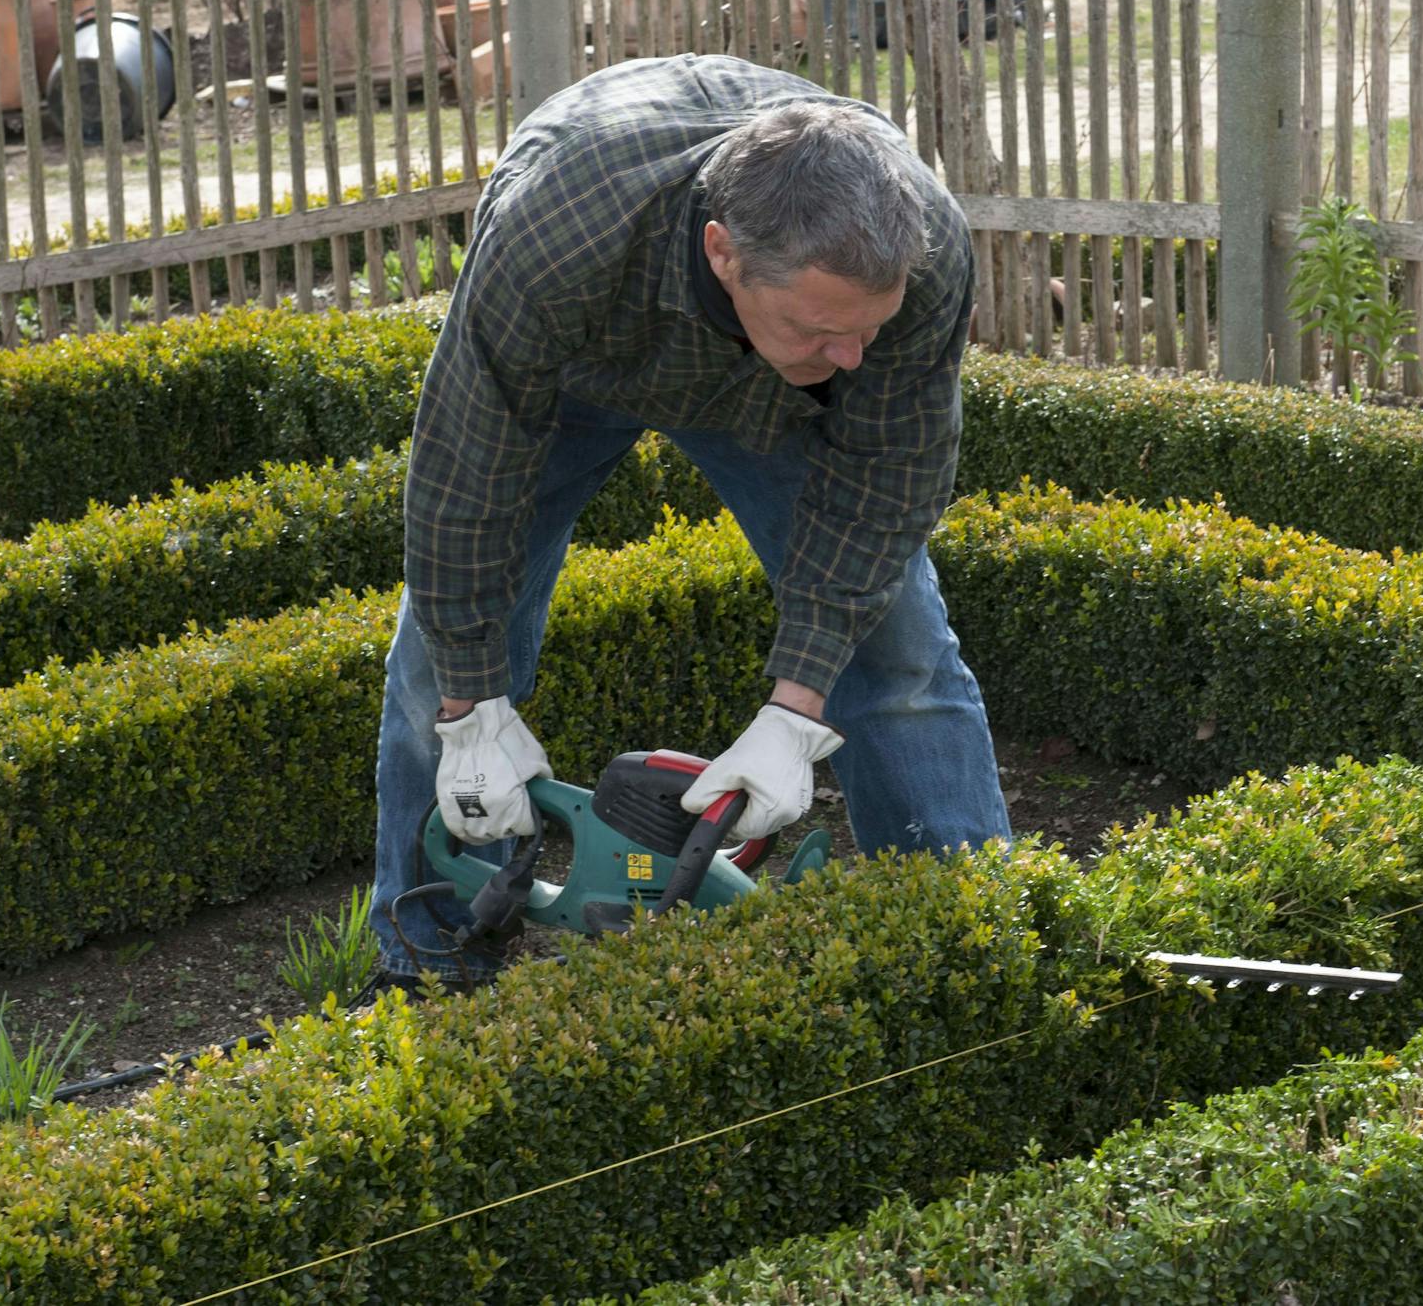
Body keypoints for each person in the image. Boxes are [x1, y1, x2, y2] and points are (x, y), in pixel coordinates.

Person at [368, 52, 1012, 989]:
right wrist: (471, 711)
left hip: (771, 397)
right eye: (820, 329)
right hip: (585, 354)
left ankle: (973, 945)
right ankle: (427, 960)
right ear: (723, 252)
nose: (851, 355)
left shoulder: (919, 254)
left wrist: (797, 714)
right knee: (438, 668)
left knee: (901, 654)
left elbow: (887, 484)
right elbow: (465, 477)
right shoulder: (557, 236)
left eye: (867, 328)